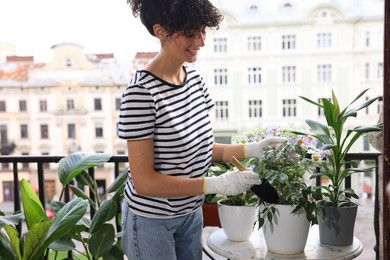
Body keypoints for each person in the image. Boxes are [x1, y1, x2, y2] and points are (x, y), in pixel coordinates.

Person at [118, 0, 285, 259]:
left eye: (203, 31)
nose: (201, 41)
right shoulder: (141, 93)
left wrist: (253, 149)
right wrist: (214, 184)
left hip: (190, 214)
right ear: (160, 31)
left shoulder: (194, 79)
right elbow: (145, 182)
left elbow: (202, 148)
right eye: (189, 33)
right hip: (151, 221)